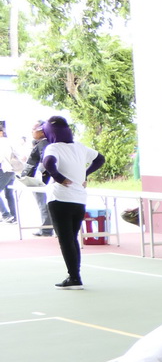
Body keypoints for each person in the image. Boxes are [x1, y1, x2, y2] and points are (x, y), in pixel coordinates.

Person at [40, 116, 105, 289]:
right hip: (79, 200)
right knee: (72, 238)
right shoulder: (80, 147)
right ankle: (75, 275)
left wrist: (59, 178)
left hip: (60, 199)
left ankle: (74, 278)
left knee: (65, 239)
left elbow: (48, 163)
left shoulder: (53, 147)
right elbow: (100, 159)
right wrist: (84, 174)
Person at [21, 121, 53, 236]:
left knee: (43, 203)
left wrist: (37, 174)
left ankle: (46, 229)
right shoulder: (48, 143)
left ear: (41, 131)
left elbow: (43, 163)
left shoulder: (43, 145)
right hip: (48, 179)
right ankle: (48, 228)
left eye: (33, 130)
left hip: (43, 180)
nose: (31, 133)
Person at [0, 123, 18, 223]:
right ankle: (14, 215)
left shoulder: (2, 142)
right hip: (11, 170)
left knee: (8, 193)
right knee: (9, 194)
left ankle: (6, 215)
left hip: (4, 170)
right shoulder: (9, 141)